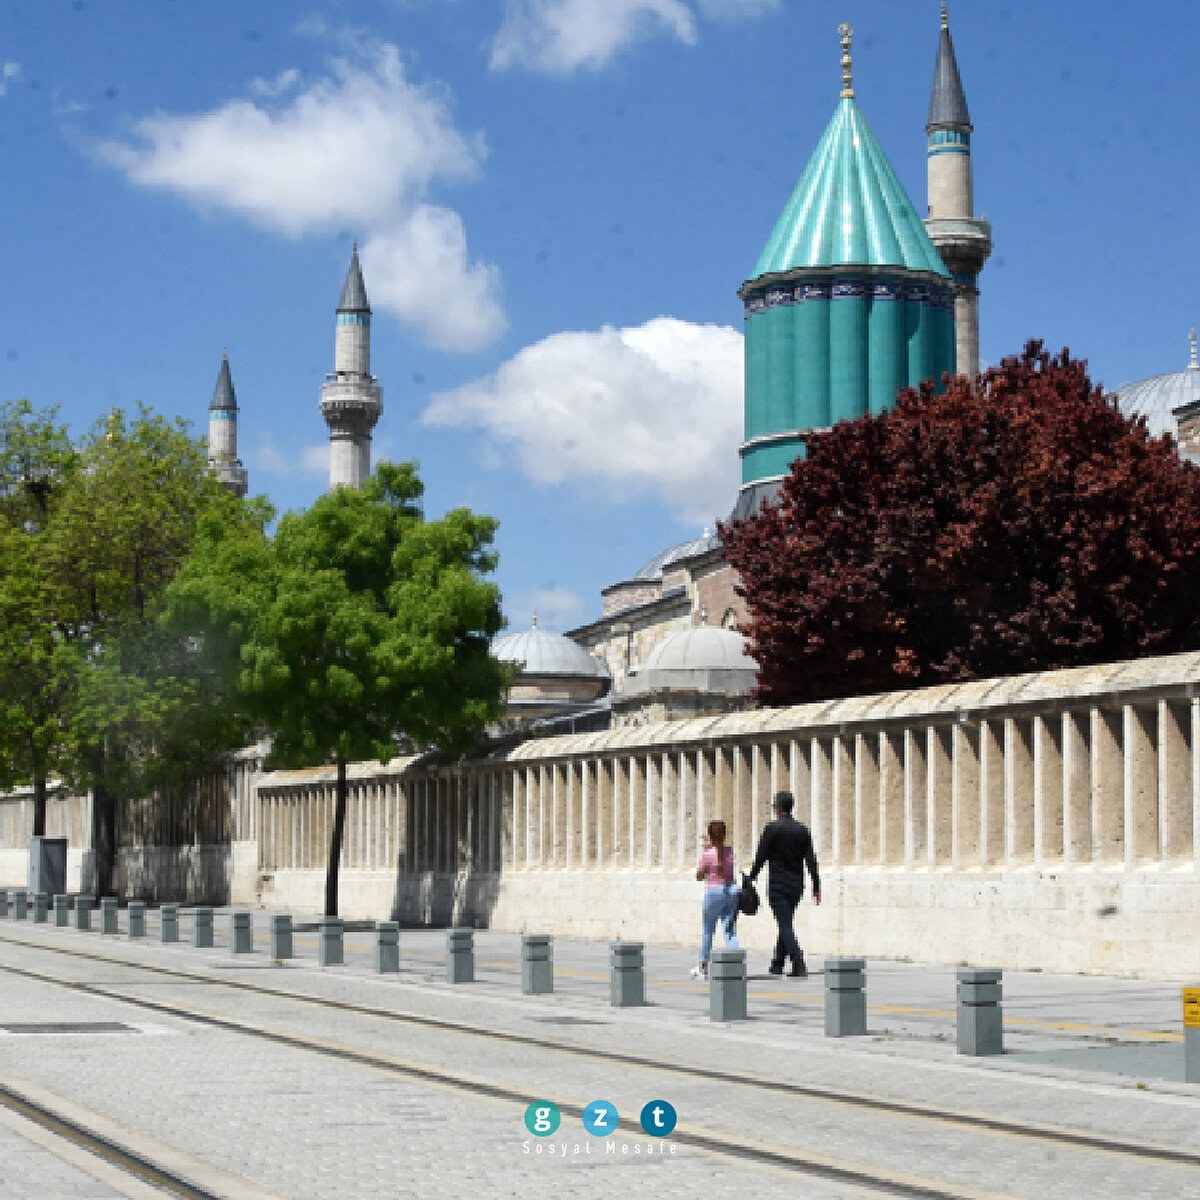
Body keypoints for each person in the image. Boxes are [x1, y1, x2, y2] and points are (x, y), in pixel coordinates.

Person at [746, 790, 821, 977]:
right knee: (785, 921)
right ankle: (777, 963)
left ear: (778, 807)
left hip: (778, 884)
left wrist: (751, 878)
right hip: (796, 885)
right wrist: (816, 885)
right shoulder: (802, 830)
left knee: (785, 924)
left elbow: (761, 856)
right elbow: (811, 860)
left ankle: (798, 961)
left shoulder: (772, 829)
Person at [690, 818, 739, 980]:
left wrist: (706, 855)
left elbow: (699, 876)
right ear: (724, 835)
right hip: (731, 891)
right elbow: (722, 858)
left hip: (713, 893)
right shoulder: (730, 852)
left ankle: (703, 967)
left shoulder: (707, 855)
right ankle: (736, 965)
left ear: (710, 836)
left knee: (708, 931)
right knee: (729, 930)